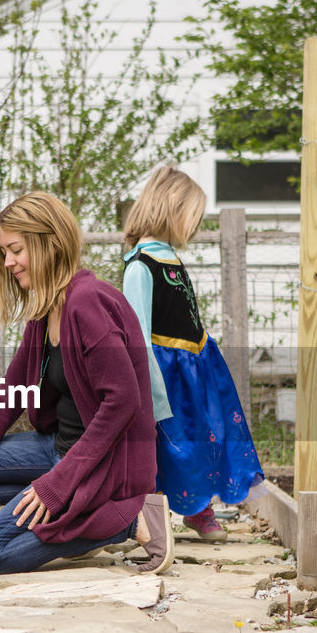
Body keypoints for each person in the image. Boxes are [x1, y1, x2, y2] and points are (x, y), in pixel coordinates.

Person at [0, 191, 174, 575]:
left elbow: (122, 402)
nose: (8, 263)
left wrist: (57, 484)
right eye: (4, 252)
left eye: (15, 250)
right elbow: (11, 392)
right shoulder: (46, 308)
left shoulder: (89, 303)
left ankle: (126, 520)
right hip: (57, 449)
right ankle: (77, 516)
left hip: (105, 466)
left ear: (49, 243)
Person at [120, 166, 265, 540]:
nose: (197, 224)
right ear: (171, 208)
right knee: (166, 445)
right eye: (193, 215)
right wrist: (149, 392)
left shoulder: (172, 260)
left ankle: (199, 508)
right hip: (165, 375)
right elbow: (137, 333)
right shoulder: (141, 266)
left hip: (195, 372)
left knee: (204, 437)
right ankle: (153, 518)